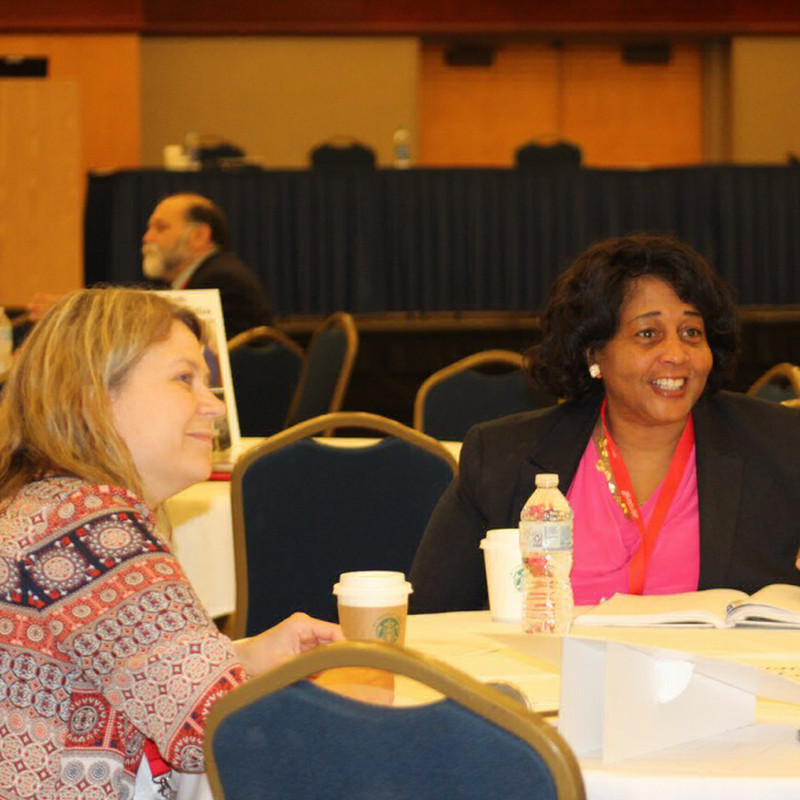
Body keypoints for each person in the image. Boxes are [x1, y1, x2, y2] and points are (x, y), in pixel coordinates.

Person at [0, 288, 340, 799]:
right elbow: (226, 732)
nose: (214, 405)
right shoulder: (85, 526)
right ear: (91, 392)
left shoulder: (42, 505)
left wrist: (242, 656)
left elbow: (129, 677)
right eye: (185, 379)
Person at [409, 233, 800, 613]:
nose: (677, 354)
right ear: (594, 352)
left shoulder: (780, 446)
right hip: (551, 676)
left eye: (691, 333)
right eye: (648, 334)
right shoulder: (502, 458)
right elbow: (430, 617)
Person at [141, 192, 272, 338]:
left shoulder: (221, 281)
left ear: (199, 236)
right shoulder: (202, 276)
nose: (147, 237)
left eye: (160, 228)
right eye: (149, 228)